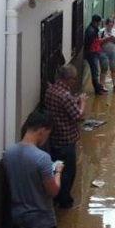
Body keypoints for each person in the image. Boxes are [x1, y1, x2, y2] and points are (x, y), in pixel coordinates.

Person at [3, 111, 63, 228]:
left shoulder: (9, 153)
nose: (46, 139)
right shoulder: (42, 159)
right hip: (42, 223)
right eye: (47, 135)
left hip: (19, 219)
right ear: (42, 131)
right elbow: (52, 191)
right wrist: (58, 173)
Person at [45, 64, 87, 208]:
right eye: (74, 79)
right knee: (68, 173)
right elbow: (79, 116)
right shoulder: (65, 96)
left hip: (54, 138)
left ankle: (56, 196)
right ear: (68, 79)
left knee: (56, 168)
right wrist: (82, 102)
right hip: (66, 140)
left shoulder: (50, 90)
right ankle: (65, 201)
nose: (74, 82)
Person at [99, 18, 115, 92]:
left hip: (113, 52)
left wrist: (114, 39)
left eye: (112, 25)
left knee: (113, 69)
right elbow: (99, 42)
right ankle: (101, 86)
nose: (110, 27)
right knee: (104, 68)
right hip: (103, 52)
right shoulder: (101, 31)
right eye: (109, 25)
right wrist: (106, 39)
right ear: (106, 25)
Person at [84, 14, 104, 95]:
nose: (100, 24)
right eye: (99, 22)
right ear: (96, 22)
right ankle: (97, 90)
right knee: (95, 72)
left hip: (94, 53)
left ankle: (98, 88)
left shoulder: (93, 29)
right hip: (92, 54)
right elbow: (89, 44)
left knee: (96, 71)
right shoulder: (91, 31)